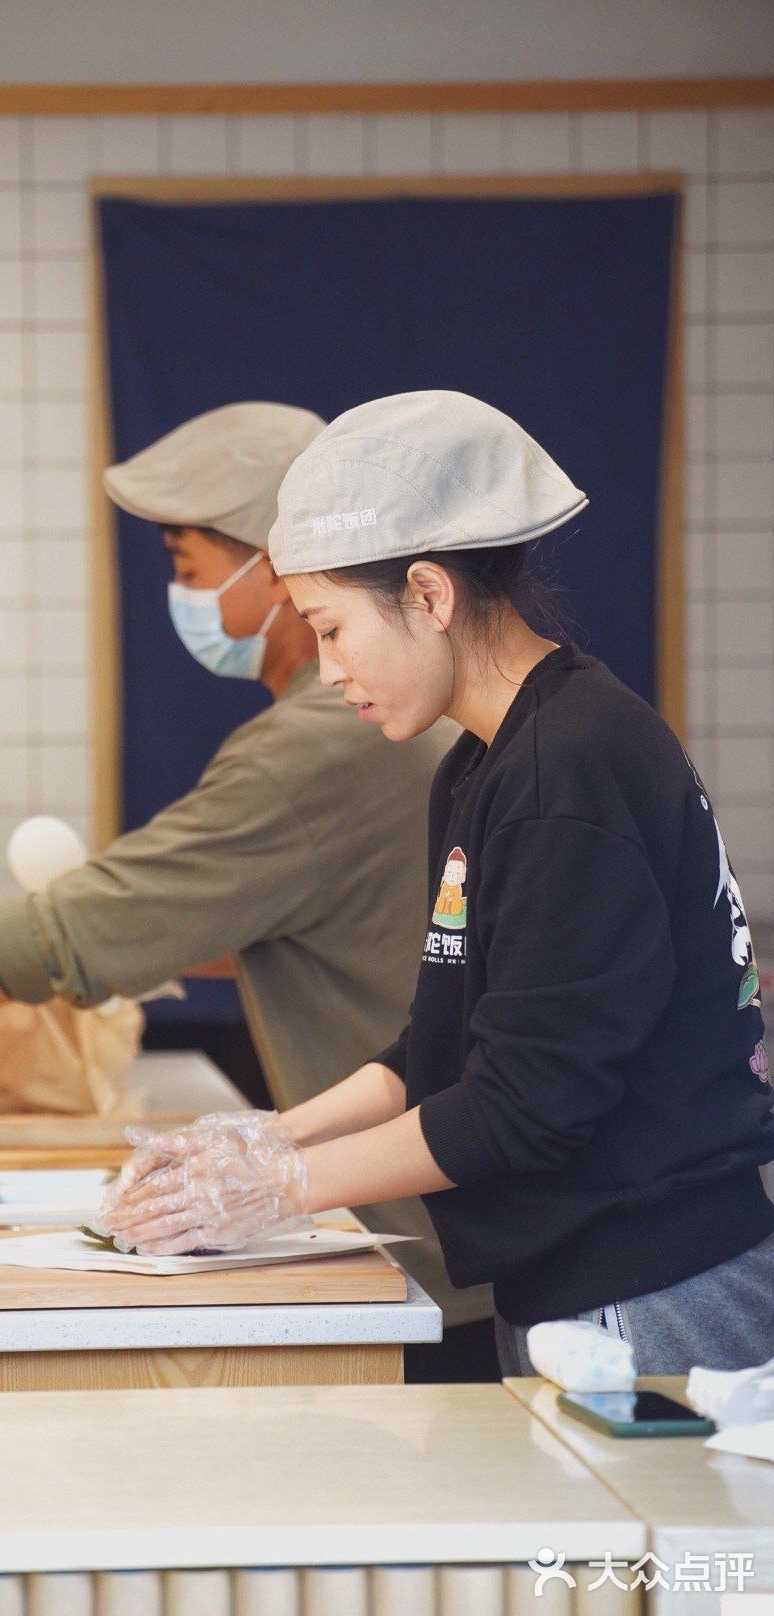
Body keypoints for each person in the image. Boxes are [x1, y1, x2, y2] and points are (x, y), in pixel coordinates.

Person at [0, 402, 493, 1377]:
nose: (184, 594)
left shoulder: (324, 740)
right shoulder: (378, 727)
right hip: (455, 1220)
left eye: (187, 566)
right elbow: (302, 913)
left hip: (450, 1249)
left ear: (283, 573)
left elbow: (85, 928)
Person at [99, 390, 774, 1375]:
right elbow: (439, 1042)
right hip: (571, 1274)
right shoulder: (482, 764)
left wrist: (280, 1186)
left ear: (428, 593)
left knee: (627, 1539)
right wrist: (262, 1133)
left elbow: (521, 1103)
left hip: (660, 1281)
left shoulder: (570, 768)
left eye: (331, 629)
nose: (328, 670)